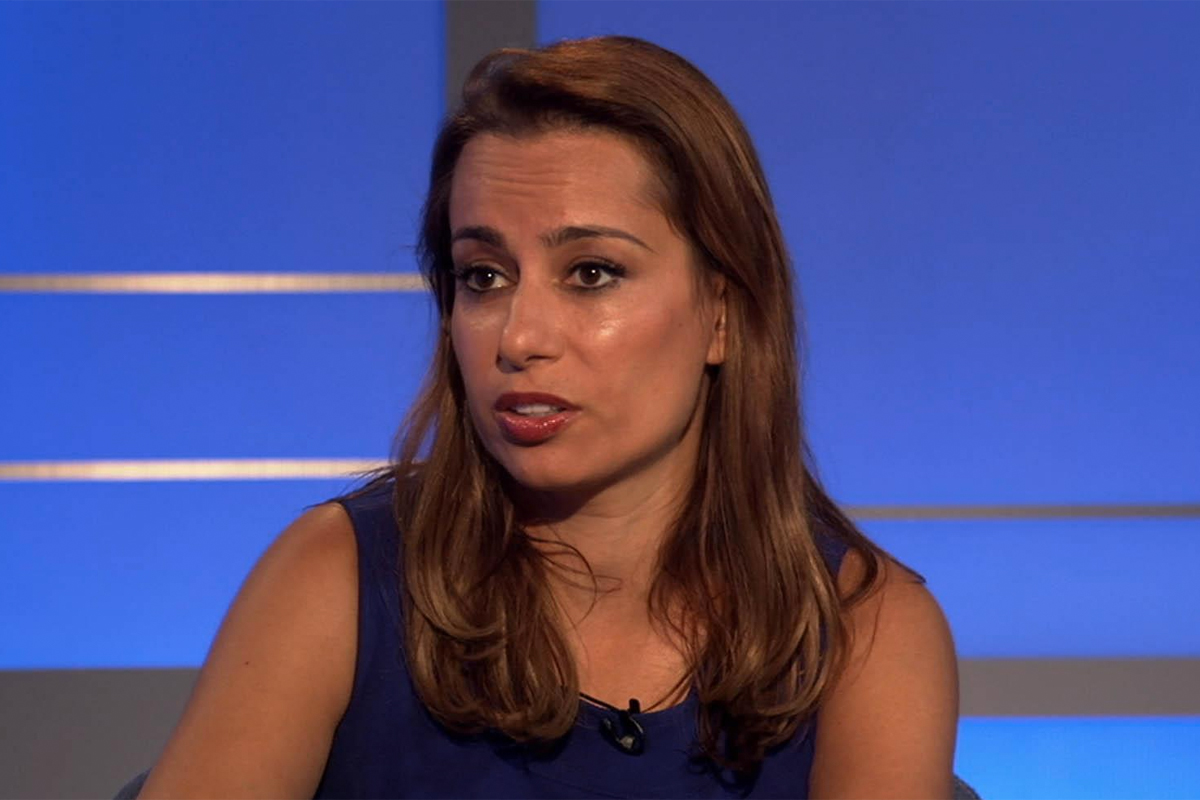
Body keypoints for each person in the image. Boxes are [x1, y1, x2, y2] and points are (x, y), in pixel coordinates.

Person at [137, 35, 958, 799]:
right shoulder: (337, 578)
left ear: (723, 311)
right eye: (484, 276)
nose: (519, 337)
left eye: (591, 273)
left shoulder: (869, 629)